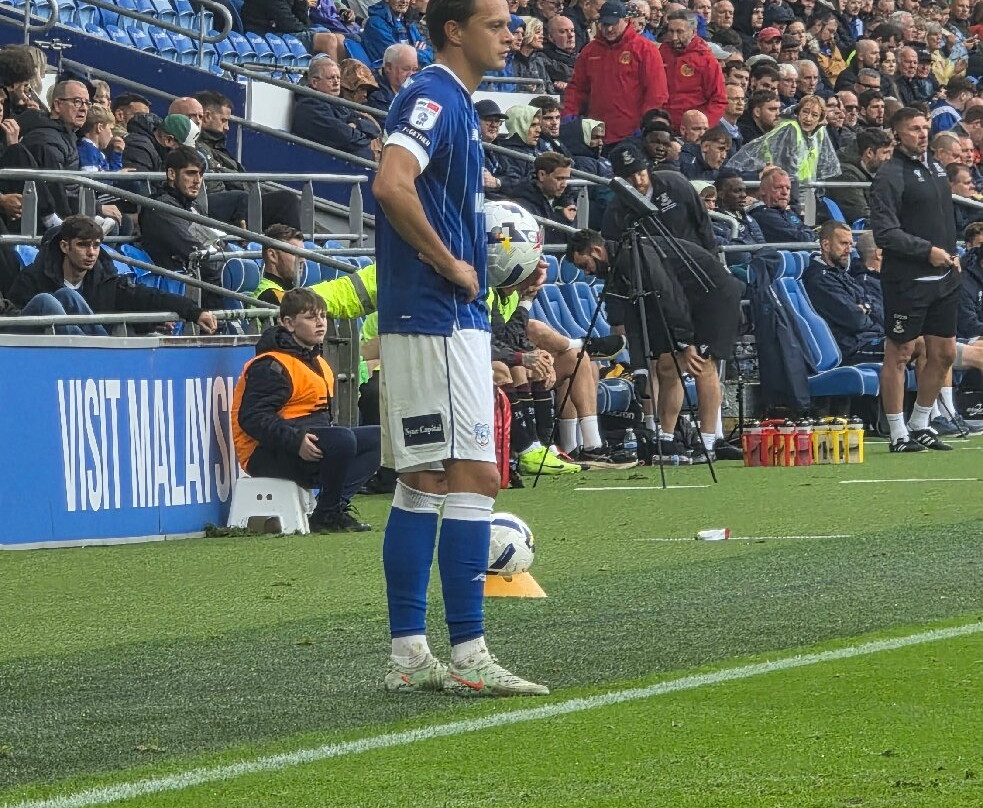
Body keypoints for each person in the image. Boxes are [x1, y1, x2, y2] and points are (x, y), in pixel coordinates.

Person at [371, 0, 548, 696]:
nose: (511, 34)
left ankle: (411, 654)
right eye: (497, 23)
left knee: (426, 481)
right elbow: (390, 182)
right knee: (472, 476)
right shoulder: (431, 96)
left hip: (448, 316)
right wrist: (449, 262)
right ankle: (467, 654)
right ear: (455, 29)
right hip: (436, 315)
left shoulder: (459, 106)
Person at [566, 227, 744, 462]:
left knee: (702, 364)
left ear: (597, 251)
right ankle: (667, 439)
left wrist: (686, 341)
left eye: (584, 265)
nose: (586, 273)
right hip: (687, 301)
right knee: (667, 367)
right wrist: (639, 365)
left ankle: (708, 443)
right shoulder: (618, 265)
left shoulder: (635, 256)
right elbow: (633, 317)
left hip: (712, 297)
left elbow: (670, 294)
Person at [232, 287, 381, 532]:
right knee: (342, 438)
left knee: (379, 438)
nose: (321, 323)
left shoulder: (318, 361)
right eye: (311, 318)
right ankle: (329, 513)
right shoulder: (272, 365)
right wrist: (296, 440)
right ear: (288, 323)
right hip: (266, 453)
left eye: (323, 316)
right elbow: (252, 418)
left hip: (303, 445)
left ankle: (331, 508)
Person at [870, 106, 960, 451]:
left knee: (945, 353)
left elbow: (943, 220)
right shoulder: (890, 175)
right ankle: (897, 432)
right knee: (900, 351)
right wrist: (928, 251)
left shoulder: (936, 167)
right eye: (914, 129)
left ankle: (921, 421)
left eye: (924, 127)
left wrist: (953, 254)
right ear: (897, 135)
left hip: (944, 277)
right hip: (908, 280)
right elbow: (885, 232)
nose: (922, 133)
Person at [7, 214, 217, 335]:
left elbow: (147, 296)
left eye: (96, 246)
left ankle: (98, 351)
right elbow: (13, 317)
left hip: (77, 363)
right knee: (48, 300)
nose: (91, 253)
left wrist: (194, 311)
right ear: (64, 246)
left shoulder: (104, 278)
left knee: (67, 296)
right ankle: (97, 353)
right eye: (82, 245)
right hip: (35, 353)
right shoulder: (34, 277)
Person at [562, 0, 669, 146]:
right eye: (605, 24)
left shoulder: (645, 50)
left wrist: (646, 124)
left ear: (626, 20)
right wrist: (569, 112)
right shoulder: (590, 51)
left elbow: (656, 93)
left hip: (631, 133)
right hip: (596, 133)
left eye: (614, 23)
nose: (610, 29)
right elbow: (577, 87)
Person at [602, 143, 717, 252]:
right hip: (654, 268)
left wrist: (712, 254)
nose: (638, 181)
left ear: (647, 169)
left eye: (640, 173)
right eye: (629, 178)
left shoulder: (675, 183)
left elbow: (702, 220)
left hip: (695, 257)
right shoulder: (615, 211)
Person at [803, 220, 886, 363]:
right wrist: (866, 309)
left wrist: (866, 308)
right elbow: (856, 320)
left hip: (872, 338)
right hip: (854, 347)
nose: (848, 250)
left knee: (929, 342)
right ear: (826, 245)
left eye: (850, 244)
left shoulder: (842, 274)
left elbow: (874, 306)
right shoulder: (819, 279)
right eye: (843, 244)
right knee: (916, 346)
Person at [291, 57, 381, 162]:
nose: (336, 82)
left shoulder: (337, 103)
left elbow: (374, 129)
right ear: (314, 82)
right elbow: (346, 138)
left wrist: (356, 124)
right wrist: (361, 132)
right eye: (331, 78)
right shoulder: (310, 107)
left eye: (338, 78)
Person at [660, 9, 727, 132]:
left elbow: (719, 100)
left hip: (692, 132)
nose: (674, 37)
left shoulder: (706, 60)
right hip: (662, 126)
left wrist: (701, 127)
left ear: (693, 32)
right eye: (671, 31)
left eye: (680, 32)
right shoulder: (661, 53)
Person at [826, 127, 894, 225]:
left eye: (890, 153)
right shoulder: (845, 175)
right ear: (869, 153)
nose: (889, 158)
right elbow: (860, 214)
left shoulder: (880, 171)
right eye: (885, 152)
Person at [747, 167, 817, 243]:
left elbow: (804, 230)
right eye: (778, 188)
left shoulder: (786, 212)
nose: (785, 192)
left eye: (788, 188)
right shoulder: (763, 215)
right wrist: (812, 235)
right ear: (763, 191)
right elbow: (800, 239)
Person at [361, 0, 434, 67]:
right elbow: (396, 59)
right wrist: (417, 51)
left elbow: (430, 53)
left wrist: (415, 54)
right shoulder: (375, 24)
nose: (404, 1)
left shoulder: (408, 22)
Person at [254, 223, 307, 305]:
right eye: (295, 253)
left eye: (303, 254)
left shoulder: (288, 290)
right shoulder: (269, 295)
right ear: (272, 255)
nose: (303, 260)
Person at [368, 43, 420, 111]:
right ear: (389, 67)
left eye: (414, 70)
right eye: (406, 69)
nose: (411, 75)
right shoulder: (375, 95)